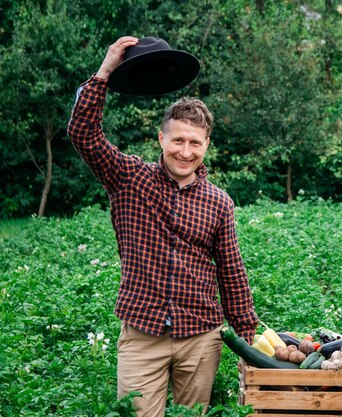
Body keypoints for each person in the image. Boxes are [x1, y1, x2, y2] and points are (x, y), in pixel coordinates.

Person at [67, 36, 258, 416]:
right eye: (178, 140)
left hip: (201, 337)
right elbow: (83, 135)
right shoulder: (128, 177)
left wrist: (248, 342)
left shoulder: (219, 202)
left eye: (195, 143)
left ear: (207, 145)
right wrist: (105, 72)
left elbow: (232, 274)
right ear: (162, 138)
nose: (185, 151)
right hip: (142, 332)